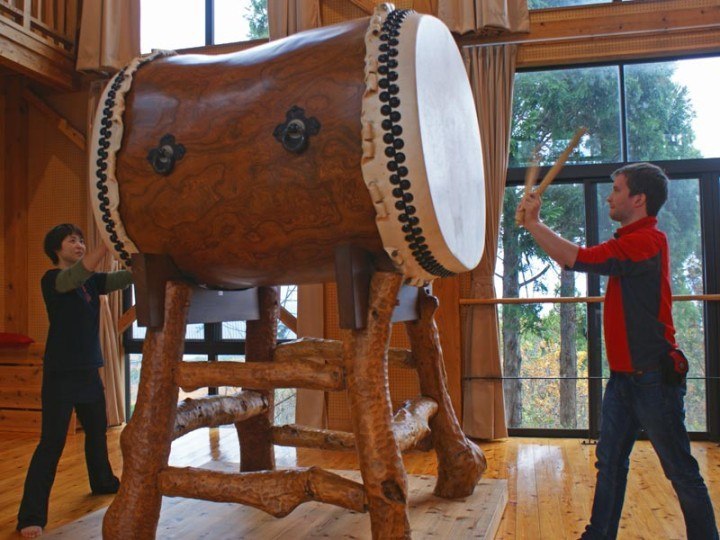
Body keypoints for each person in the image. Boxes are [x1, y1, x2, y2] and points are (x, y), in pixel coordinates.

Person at [517, 162, 718, 540]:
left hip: (655, 379)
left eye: (618, 190)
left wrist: (533, 224)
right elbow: (577, 258)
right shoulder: (631, 241)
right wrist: (534, 224)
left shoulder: (647, 241)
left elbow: (580, 258)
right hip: (625, 379)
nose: (610, 196)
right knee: (609, 463)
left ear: (639, 199)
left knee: (680, 471)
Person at [17, 224, 133, 538]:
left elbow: (123, 278)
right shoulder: (52, 279)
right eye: (73, 240)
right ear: (57, 248)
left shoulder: (92, 282)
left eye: (82, 240)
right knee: (51, 443)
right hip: (61, 374)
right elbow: (77, 274)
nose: (79, 244)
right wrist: (106, 244)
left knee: (96, 433)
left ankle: (103, 483)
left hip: (88, 371)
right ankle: (31, 515)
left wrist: (140, 261)